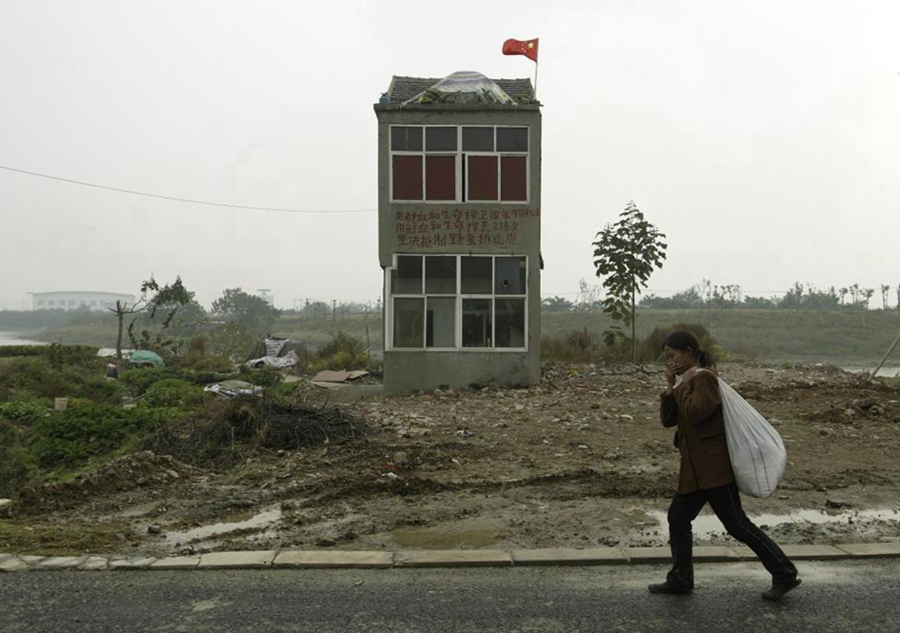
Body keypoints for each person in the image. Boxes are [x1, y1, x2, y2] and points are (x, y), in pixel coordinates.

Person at [648, 330, 801, 601]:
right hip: (694, 473)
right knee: (678, 518)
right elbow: (669, 420)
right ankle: (680, 579)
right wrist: (671, 386)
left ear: (689, 352)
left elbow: (695, 413)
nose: (670, 360)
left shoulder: (705, 378)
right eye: (667, 357)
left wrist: (685, 384)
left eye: (673, 355)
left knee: (738, 526)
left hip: (714, 471)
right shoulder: (688, 381)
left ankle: (784, 573)